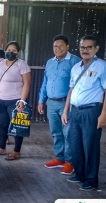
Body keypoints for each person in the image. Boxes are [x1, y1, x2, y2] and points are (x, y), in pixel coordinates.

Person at [62, 35, 106, 191]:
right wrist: (66, 111)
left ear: (96, 49)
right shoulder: (76, 68)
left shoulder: (102, 66)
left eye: (89, 47)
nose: (85, 50)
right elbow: (71, 90)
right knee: (75, 144)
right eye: (82, 47)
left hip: (92, 111)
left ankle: (91, 179)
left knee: (90, 146)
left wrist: (103, 114)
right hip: (75, 110)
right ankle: (80, 174)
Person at [38, 35, 81, 175]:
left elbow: (78, 85)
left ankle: (70, 161)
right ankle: (60, 158)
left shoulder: (75, 61)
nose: (58, 48)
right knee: (56, 132)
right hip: (51, 102)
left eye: (61, 45)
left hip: (66, 104)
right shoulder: (50, 62)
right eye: (55, 46)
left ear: (67, 46)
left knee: (68, 133)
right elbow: (45, 83)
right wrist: (41, 101)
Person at [0, 41, 31, 160]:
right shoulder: (0, 64)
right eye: (9, 50)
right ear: (5, 51)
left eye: (14, 50)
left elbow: (27, 83)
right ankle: (2, 147)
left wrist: (22, 101)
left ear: (18, 52)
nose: (11, 52)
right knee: (3, 124)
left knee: (17, 125)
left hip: (15, 101)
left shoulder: (22, 65)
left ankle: (16, 151)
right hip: (1, 100)